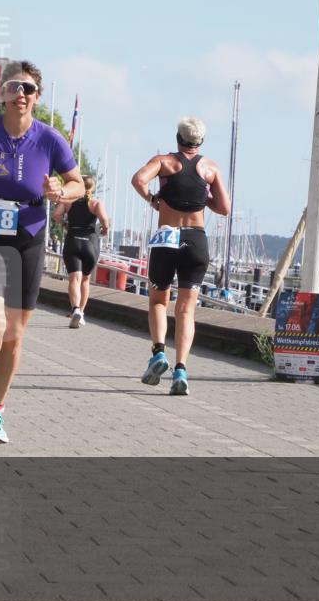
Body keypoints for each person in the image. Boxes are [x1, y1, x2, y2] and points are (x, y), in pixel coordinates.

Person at [0, 60, 84, 443]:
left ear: (37, 97)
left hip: (29, 234)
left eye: (27, 88)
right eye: (13, 87)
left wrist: (61, 192)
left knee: (14, 336)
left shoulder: (50, 139)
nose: (20, 94)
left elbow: (76, 184)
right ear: (2, 94)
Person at [130, 116, 230, 396]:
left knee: (158, 301)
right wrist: (202, 197)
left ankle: (159, 352)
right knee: (186, 309)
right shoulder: (209, 167)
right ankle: (181, 369)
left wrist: (153, 198)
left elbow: (138, 180)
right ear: (200, 142)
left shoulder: (164, 162)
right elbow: (224, 207)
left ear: (178, 138)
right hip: (195, 240)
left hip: (167, 236)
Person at [54, 174, 111, 328]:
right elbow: (105, 220)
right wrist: (105, 229)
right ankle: (82, 313)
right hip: (90, 244)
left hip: (73, 240)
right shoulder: (96, 203)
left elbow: (56, 214)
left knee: (74, 279)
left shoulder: (68, 201)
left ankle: (75, 309)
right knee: (85, 280)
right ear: (92, 188)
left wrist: (65, 223)